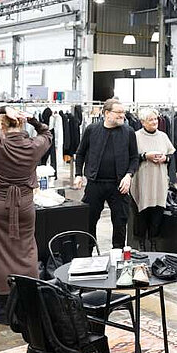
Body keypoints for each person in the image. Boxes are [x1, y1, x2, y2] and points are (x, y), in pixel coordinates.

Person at [0, 105, 53, 324]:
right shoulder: (34, 146)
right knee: (26, 250)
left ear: (2, 124)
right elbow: (47, 133)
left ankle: (3, 307)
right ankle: (25, 303)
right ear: (22, 123)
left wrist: (2, 108)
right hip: (24, 204)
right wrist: (33, 120)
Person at [74, 99, 139, 249]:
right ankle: (88, 252)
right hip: (95, 183)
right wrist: (78, 174)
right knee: (89, 220)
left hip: (119, 185)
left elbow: (134, 158)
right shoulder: (91, 129)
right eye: (118, 112)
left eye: (123, 112)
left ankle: (118, 254)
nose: (122, 115)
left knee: (120, 222)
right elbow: (80, 153)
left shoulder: (129, 132)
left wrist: (129, 175)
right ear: (107, 113)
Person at [132, 108, 175, 250]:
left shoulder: (163, 136)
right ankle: (141, 244)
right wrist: (145, 156)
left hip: (159, 180)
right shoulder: (136, 136)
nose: (154, 122)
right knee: (142, 212)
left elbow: (171, 156)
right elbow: (131, 158)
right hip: (142, 180)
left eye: (155, 119)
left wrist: (165, 158)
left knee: (158, 211)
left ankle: (154, 242)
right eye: (150, 119)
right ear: (143, 122)